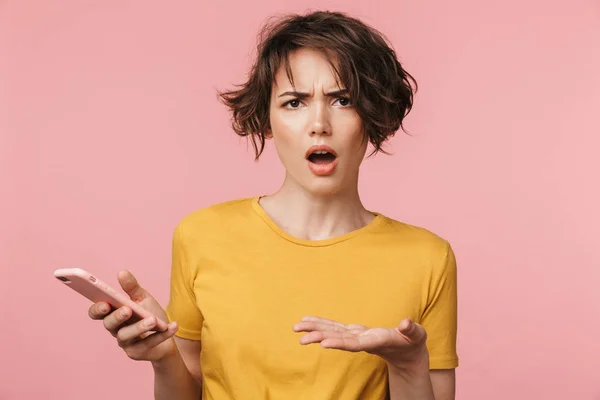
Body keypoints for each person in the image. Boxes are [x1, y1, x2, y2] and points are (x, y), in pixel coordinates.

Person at [88, 10, 458, 400]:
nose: (319, 123)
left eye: (343, 100)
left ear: (373, 115)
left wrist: (409, 363)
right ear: (265, 119)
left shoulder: (427, 258)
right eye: (294, 103)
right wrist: (164, 359)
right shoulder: (202, 235)